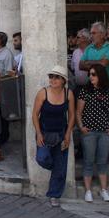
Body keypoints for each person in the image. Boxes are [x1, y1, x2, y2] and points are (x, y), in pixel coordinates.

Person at [32, 65, 75, 207]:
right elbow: (34, 114)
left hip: (61, 133)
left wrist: (68, 135)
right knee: (42, 158)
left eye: (56, 77)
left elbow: (72, 115)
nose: (53, 79)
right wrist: (38, 133)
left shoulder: (68, 93)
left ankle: (54, 195)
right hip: (44, 132)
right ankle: (56, 169)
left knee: (61, 167)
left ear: (63, 80)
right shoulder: (42, 93)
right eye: (51, 76)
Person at [76, 63, 109, 202]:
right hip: (89, 131)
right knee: (88, 160)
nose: (90, 76)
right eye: (90, 74)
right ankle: (88, 191)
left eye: (93, 74)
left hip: (105, 131)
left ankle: (104, 190)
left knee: (102, 161)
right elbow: (78, 112)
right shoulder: (85, 90)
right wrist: (81, 126)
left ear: (101, 75)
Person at [0, 32, 16, 144]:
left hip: (3, 86)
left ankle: (4, 136)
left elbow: (9, 72)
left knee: (3, 113)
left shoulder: (7, 54)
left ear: (0, 41)